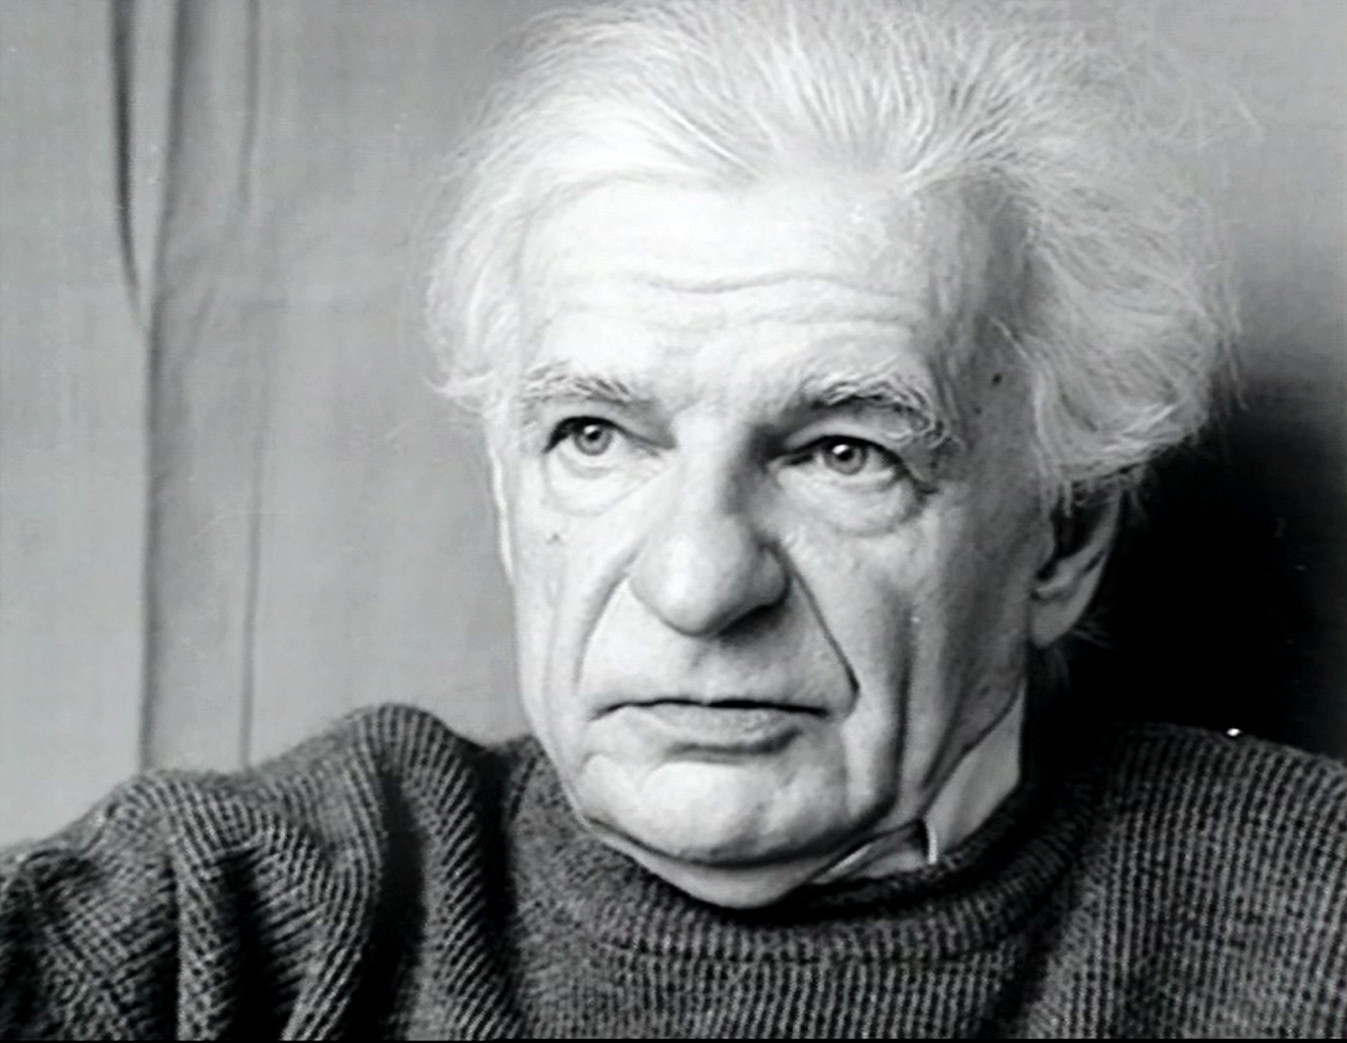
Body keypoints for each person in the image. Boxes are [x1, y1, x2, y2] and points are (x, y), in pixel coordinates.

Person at [2, 0, 1344, 1037]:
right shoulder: (227, 918)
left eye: (843, 451)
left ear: (1064, 537)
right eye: (597, 437)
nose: (697, 586)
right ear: (512, 498)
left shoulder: (1314, 924)